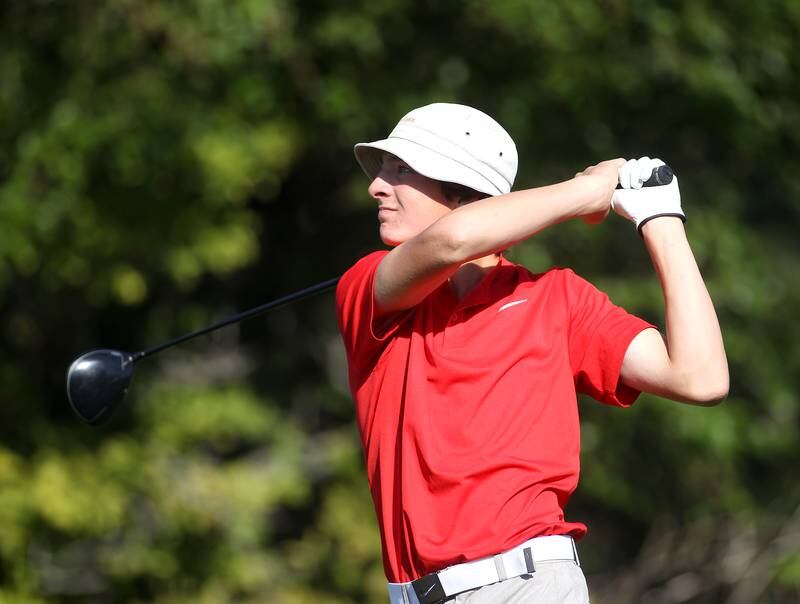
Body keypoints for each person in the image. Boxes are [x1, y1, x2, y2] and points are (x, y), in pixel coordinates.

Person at [334, 103, 728, 604]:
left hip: (526, 586)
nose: (377, 186)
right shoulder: (368, 287)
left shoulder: (557, 298)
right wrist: (589, 190)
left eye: (401, 170)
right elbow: (453, 240)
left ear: (464, 187)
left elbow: (700, 378)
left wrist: (661, 219)